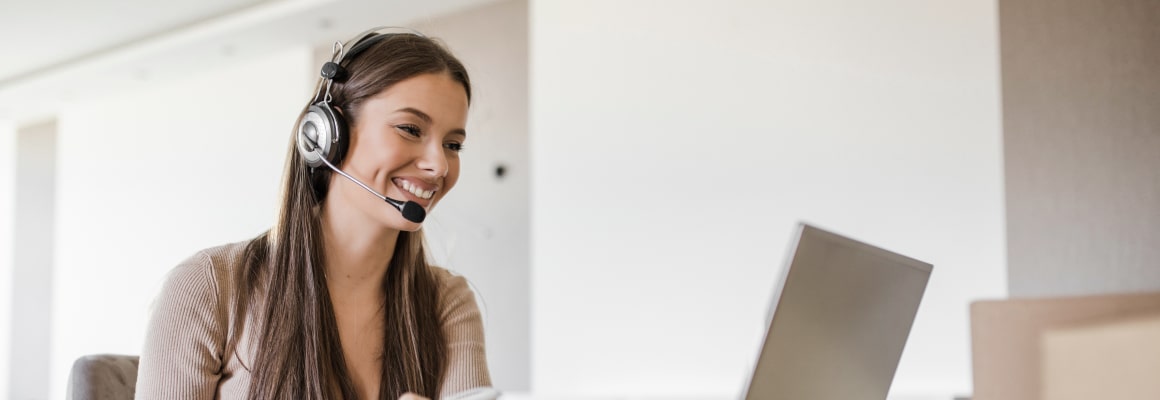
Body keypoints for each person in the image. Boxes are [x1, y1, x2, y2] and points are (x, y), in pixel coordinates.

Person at [135, 27, 491, 400]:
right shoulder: (210, 287)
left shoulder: (446, 302)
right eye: (409, 129)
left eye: (453, 145)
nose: (439, 165)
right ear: (327, 135)